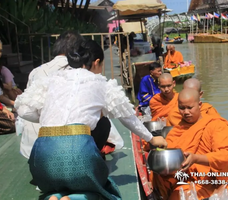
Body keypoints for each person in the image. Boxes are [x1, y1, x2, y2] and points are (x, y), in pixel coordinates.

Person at [14, 39, 167, 200]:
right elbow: (127, 116)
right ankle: (73, 199)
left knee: (52, 186)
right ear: (96, 62)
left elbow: (23, 109)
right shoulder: (100, 82)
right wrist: (151, 138)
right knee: (103, 192)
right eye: (101, 66)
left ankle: (55, 196)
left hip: (42, 155)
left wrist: (47, 117)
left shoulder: (52, 79)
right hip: (79, 154)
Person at [150, 88, 228, 200]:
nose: (186, 112)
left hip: (222, 180)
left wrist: (196, 158)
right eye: (182, 108)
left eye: (190, 108)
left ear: (200, 105)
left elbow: (225, 156)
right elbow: (171, 160)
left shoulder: (216, 125)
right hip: (190, 181)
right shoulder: (177, 131)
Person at [18, 31, 83, 159]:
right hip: (58, 149)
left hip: (29, 147)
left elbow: (25, 110)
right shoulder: (78, 72)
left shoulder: (36, 71)